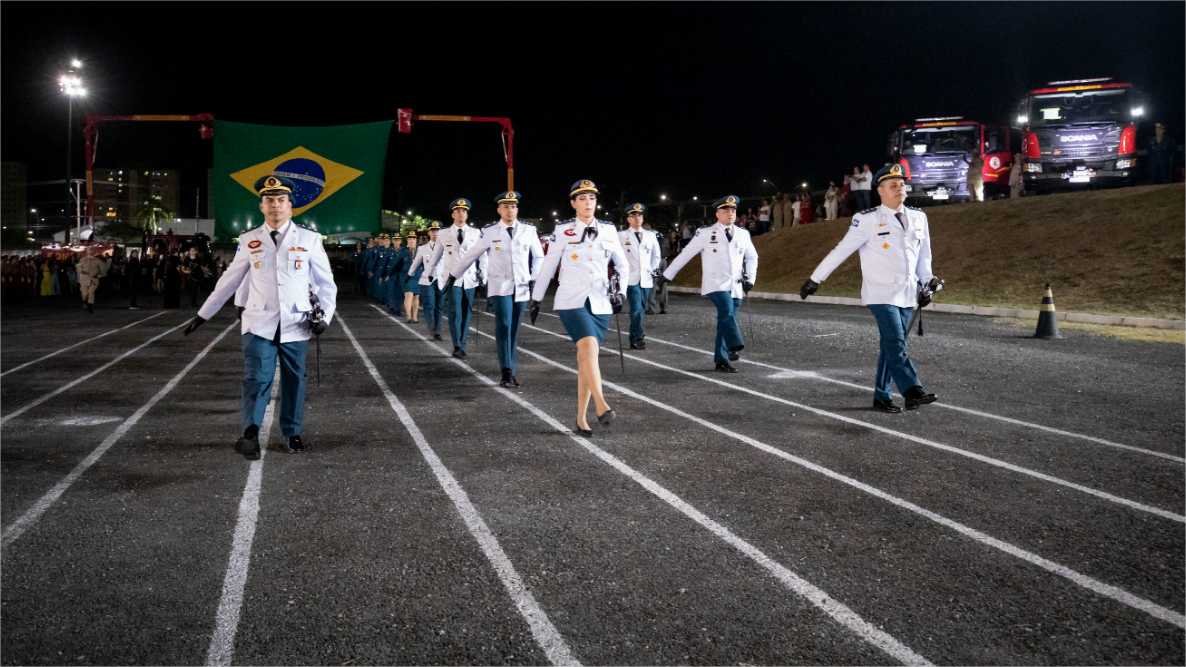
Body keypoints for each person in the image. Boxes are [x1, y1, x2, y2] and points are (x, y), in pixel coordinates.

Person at [183, 174, 338, 460]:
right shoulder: (249, 240)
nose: (275, 206)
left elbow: (326, 284)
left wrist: (325, 317)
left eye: (281, 200)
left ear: (291, 206)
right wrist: (203, 315)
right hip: (258, 323)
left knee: (295, 380)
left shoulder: (310, 239)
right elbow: (229, 281)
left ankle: (292, 432)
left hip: (297, 323)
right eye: (269, 201)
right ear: (261, 207)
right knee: (256, 378)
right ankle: (250, 433)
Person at [799, 163, 940, 414]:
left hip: (907, 293)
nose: (900, 188)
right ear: (880, 191)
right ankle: (912, 390)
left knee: (891, 346)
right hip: (880, 293)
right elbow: (841, 251)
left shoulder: (919, 217)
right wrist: (815, 279)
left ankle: (882, 396)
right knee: (895, 342)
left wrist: (927, 282)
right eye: (893, 185)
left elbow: (923, 258)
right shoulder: (866, 220)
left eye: (902, 184)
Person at [531, 179, 627, 435]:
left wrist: (621, 292)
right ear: (573, 203)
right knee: (588, 346)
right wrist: (537, 298)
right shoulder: (563, 231)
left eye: (592, 198)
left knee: (587, 358)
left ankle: (580, 419)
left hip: (600, 302)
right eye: (582, 198)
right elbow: (549, 266)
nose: (588, 203)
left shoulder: (608, 230)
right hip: (571, 300)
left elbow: (622, 265)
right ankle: (602, 405)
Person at [447, 190, 543, 387]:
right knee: (504, 325)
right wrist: (453, 275)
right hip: (500, 286)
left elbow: (539, 256)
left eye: (514, 206)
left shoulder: (529, 231)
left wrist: (535, 278)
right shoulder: (490, 232)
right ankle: (506, 370)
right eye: (506, 206)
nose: (510, 210)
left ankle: (511, 368)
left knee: (514, 329)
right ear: (499, 209)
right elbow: (471, 255)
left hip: (522, 286)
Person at [658, 195, 758, 373]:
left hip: (735, 286)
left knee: (724, 322)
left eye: (733, 210)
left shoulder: (743, 234)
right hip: (715, 285)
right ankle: (734, 344)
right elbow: (686, 254)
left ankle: (721, 360)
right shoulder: (705, 233)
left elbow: (752, 257)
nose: (731, 213)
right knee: (727, 312)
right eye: (726, 210)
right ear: (717, 213)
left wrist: (750, 278)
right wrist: (668, 274)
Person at [427, 197, 485, 358]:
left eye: (464, 211)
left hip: (470, 279)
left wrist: (483, 274)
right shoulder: (444, 233)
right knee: (455, 313)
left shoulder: (476, 233)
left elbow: (483, 255)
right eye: (458, 211)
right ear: (453, 214)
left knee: (467, 313)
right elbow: (436, 256)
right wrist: (430, 272)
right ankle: (457, 345)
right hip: (452, 279)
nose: (461, 213)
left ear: (467, 214)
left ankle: (463, 343)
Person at [617, 203, 663, 350]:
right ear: (628, 219)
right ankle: (637, 337)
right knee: (636, 308)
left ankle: (635, 335)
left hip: (647, 278)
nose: (637, 218)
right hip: (630, 278)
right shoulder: (621, 236)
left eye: (639, 215)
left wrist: (653, 269)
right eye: (633, 215)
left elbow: (656, 255)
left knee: (641, 309)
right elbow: (616, 256)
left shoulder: (651, 235)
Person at [409, 222, 445, 340]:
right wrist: (410, 274)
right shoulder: (422, 248)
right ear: (429, 232)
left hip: (441, 280)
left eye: (437, 230)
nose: (435, 233)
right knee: (429, 305)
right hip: (427, 280)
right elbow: (416, 263)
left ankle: (438, 330)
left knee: (439, 306)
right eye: (433, 230)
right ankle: (433, 329)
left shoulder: (446, 246)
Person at [402, 233, 423, 323]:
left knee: (416, 297)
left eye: (413, 239)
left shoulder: (421, 251)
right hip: (407, 277)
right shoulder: (403, 252)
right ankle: (408, 316)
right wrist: (388, 274)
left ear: (416, 240)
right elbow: (396, 264)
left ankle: (415, 317)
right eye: (410, 239)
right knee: (409, 295)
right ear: (407, 241)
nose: (411, 241)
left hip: (418, 276)